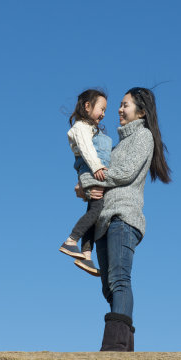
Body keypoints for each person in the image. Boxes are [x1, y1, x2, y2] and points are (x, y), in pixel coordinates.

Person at [77, 87, 171, 351]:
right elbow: (104, 175)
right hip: (104, 221)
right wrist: (86, 185)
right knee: (109, 287)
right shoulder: (117, 144)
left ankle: (115, 348)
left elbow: (124, 173)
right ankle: (124, 349)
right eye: (119, 104)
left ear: (141, 111)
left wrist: (87, 180)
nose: (119, 109)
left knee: (119, 280)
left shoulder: (143, 137)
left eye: (125, 105)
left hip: (124, 218)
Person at [59, 89, 112, 276]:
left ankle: (86, 255)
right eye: (102, 108)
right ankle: (71, 241)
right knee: (97, 210)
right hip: (91, 171)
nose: (104, 114)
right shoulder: (81, 127)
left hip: (92, 171)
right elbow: (87, 149)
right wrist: (97, 167)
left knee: (94, 213)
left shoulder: (91, 129)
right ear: (87, 106)